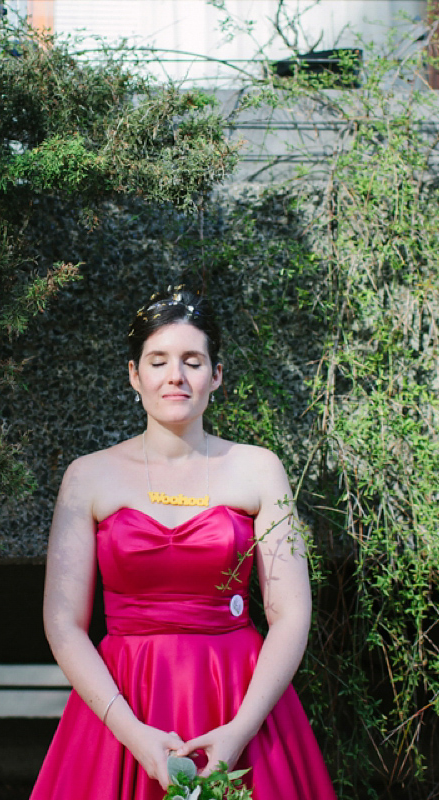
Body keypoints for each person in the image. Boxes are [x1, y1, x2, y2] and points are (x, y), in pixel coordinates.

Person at [30, 288, 336, 800]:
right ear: (134, 374)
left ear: (215, 375)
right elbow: (63, 625)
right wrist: (135, 736)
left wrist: (240, 732)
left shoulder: (259, 469)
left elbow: (291, 614)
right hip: (122, 705)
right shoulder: (87, 478)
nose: (176, 375)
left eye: (193, 361)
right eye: (159, 361)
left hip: (238, 698)